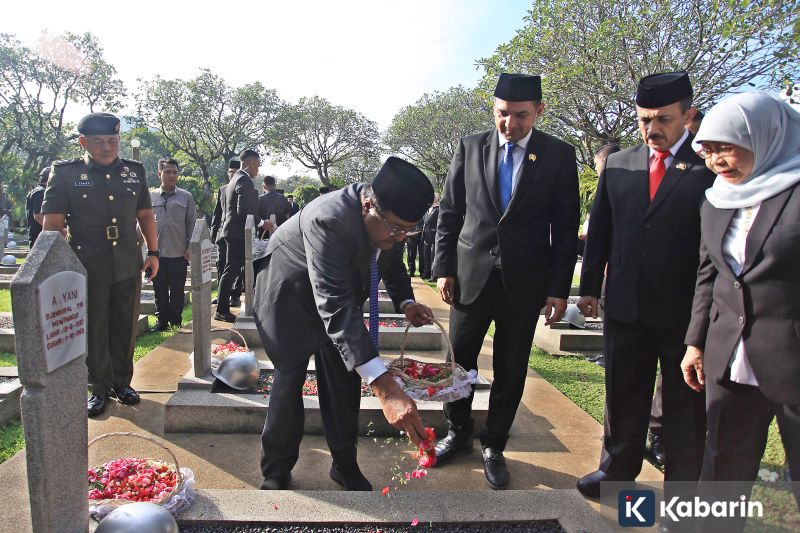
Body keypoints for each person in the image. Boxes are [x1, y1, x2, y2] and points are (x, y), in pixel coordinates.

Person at [432, 73, 580, 490]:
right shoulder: (469, 147)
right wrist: (444, 267)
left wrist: (557, 288)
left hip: (525, 282)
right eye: (502, 114)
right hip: (470, 278)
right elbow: (450, 213)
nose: (510, 124)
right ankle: (457, 433)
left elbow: (565, 228)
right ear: (492, 108)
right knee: (460, 363)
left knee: (511, 367)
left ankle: (494, 443)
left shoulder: (557, 155)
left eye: (520, 115)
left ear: (538, 112)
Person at [253, 156, 435, 491]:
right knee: (289, 379)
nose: (400, 237)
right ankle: (276, 469)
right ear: (368, 205)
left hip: (335, 296)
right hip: (288, 296)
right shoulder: (330, 219)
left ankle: (344, 463)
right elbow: (334, 305)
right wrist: (386, 388)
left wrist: (406, 302)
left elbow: (390, 257)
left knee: (344, 380)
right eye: (396, 228)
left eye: (408, 231)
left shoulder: (388, 223)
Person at [576, 72, 713, 500]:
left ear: (687, 116)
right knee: (623, 393)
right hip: (626, 304)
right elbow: (600, 228)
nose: (652, 130)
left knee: (684, 405)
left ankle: (682, 489)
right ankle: (615, 470)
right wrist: (590, 288)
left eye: (663, 120)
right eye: (643, 120)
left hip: (683, 309)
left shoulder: (708, 166)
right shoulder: (620, 164)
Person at [681, 92, 800, 532]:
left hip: (791, 357)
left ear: (764, 137)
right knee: (724, 465)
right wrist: (695, 342)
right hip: (729, 357)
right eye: (707, 149)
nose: (715, 160)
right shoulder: (716, 200)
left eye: (726, 147)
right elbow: (708, 275)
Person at [41, 112, 160, 417]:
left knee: (125, 324)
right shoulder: (65, 173)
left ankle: (122, 383)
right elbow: (52, 225)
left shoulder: (134, 171)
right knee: (94, 326)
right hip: (87, 263)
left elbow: (145, 215)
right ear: (84, 142)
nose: (107, 147)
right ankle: (98, 387)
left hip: (127, 260)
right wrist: (57, 266)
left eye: (113, 140)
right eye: (99, 142)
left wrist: (153, 252)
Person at [149, 157, 197, 332]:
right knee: (159, 288)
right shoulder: (150, 196)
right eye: (167, 171)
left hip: (178, 252)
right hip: (156, 254)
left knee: (177, 289)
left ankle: (175, 320)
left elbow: (192, 222)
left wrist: (190, 246)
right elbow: (141, 223)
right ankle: (161, 321)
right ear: (159, 174)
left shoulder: (186, 197)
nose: (171, 175)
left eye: (175, 172)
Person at [215, 149, 259, 322]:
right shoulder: (244, 180)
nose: (259, 170)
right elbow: (244, 210)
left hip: (233, 232)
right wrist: (262, 222)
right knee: (231, 271)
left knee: (230, 270)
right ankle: (221, 309)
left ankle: (223, 307)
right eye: (258, 165)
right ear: (252, 163)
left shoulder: (236, 178)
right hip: (237, 234)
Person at [211, 159, 243, 308]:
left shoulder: (245, 188)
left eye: (236, 172)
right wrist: (213, 231)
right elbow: (217, 212)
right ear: (228, 172)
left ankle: (235, 295)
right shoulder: (222, 189)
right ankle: (221, 295)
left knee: (236, 266)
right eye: (231, 172)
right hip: (222, 233)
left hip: (237, 234)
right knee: (221, 264)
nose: (233, 175)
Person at [26, 167, 50, 246]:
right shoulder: (41, 192)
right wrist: (58, 230)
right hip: (40, 240)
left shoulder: (40, 191)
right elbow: (38, 216)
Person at [420, 193, 439, 280]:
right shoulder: (427, 209)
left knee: (433, 256)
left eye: (434, 197)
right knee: (426, 255)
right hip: (425, 236)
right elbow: (425, 221)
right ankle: (426, 272)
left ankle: (434, 275)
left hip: (433, 235)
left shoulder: (438, 209)